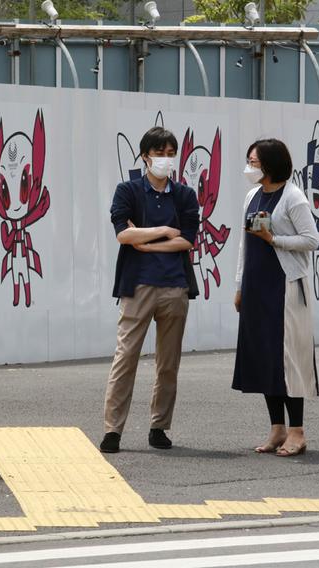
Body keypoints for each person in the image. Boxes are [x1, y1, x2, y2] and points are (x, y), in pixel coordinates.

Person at [100, 126, 200, 454]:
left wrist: (148, 242)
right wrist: (163, 231)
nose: (166, 159)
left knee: (168, 362)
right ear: (145, 156)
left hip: (174, 286)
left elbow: (187, 239)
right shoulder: (128, 191)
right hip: (137, 285)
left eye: (171, 153)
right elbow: (123, 235)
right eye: (159, 153)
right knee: (125, 356)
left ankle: (159, 425)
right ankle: (113, 430)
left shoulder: (185, 195)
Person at [232, 139, 319, 458]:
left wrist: (274, 239)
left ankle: (297, 430)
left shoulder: (293, 197)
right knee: (265, 357)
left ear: (271, 164)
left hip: (285, 285)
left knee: (289, 358)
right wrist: (240, 285)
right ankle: (276, 428)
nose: (250, 167)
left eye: (255, 162)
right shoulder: (252, 196)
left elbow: (311, 240)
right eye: (249, 160)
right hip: (257, 284)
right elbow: (244, 244)